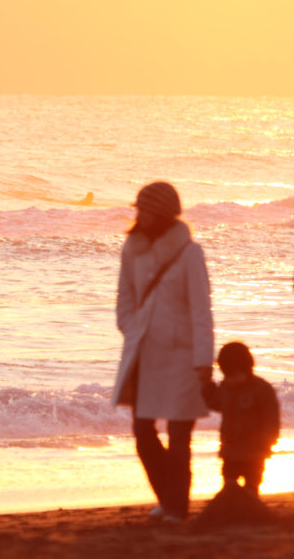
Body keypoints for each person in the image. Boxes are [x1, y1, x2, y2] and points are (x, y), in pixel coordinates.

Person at [112, 181, 214, 523]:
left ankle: (177, 508)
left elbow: (202, 311)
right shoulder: (132, 247)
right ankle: (167, 498)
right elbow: (125, 297)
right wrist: (131, 327)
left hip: (183, 357)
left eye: (144, 209)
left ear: (161, 213)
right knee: (142, 430)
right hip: (144, 354)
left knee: (180, 436)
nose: (138, 215)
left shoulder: (189, 253)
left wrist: (203, 361)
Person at [205, 342, 280, 497]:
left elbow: (272, 419)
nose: (231, 379)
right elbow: (215, 403)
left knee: (251, 489)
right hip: (230, 450)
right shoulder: (225, 388)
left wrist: (268, 442)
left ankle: (252, 511)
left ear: (247, 368)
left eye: (235, 375)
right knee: (229, 487)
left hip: (255, 452)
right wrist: (206, 385)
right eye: (227, 375)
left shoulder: (262, 389)